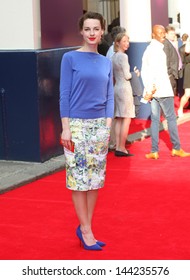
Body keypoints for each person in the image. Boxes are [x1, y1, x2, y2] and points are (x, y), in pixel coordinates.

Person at [59, 11, 114, 250]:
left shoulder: (106, 62)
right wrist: (66, 129)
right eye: (88, 29)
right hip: (77, 127)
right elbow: (64, 94)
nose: (92, 33)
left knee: (94, 182)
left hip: (100, 127)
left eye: (96, 29)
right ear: (81, 32)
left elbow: (110, 95)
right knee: (78, 181)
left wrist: (108, 124)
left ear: (102, 32)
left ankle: (86, 227)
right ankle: (86, 229)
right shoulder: (70, 58)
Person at [141, 24, 190, 159]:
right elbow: (155, 72)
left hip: (154, 89)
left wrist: (149, 89)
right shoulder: (156, 51)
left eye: (163, 32)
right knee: (171, 119)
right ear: (153, 34)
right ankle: (176, 148)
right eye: (160, 32)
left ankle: (154, 150)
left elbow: (146, 71)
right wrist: (152, 88)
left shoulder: (150, 49)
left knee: (156, 120)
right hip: (161, 89)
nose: (163, 34)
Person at [112, 32, 136, 157]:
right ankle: (121, 147)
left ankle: (118, 145)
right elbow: (127, 75)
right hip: (125, 88)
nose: (127, 44)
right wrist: (134, 73)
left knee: (119, 117)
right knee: (126, 118)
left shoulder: (114, 56)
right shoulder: (123, 57)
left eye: (128, 41)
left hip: (116, 87)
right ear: (118, 43)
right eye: (124, 41)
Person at [163, 26, 182, 96]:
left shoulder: (172, 43)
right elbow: (167, 58)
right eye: (171, 33)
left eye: (174, 33)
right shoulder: (166, 43)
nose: (173, 35)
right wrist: (169, 73)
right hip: (171, 73)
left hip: (175, 72)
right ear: (166, 34)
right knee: (171, 93)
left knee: (173, 92)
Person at [178, 35, 190, 117]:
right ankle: (180, 108)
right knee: (188, 93)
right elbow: (187, 50)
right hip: (188, 71)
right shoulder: (185, 47)